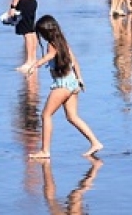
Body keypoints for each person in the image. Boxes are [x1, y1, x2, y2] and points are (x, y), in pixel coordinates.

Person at [27, 15, 103, 159]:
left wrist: (35, 65)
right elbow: (74, 61)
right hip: (72, 82)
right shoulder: (63, 41)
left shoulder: (52, 44)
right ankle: (95, 142)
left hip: (62, 84)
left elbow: (49, 56)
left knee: (46, 115)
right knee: (72, 117)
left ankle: (45, 150)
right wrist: (80, 79)